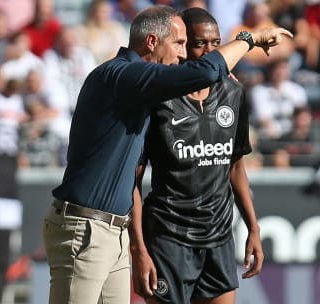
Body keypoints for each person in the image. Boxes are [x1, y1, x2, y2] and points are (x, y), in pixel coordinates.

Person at [42, 4, 291, 304]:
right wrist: (250, 39)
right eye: (180, 43)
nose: (184, 54)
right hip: (87, 228)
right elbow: (205, 71)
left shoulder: (139, 84)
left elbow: (205, 78)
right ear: (151, 42)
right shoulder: (124, 76)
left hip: (115, 230)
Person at [130, 7, 262, 304]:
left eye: (216, 44)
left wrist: (253, 228)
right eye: (200, 43)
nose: (209, 52)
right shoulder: (157, 100)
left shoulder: (232, 92)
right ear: (182, 45)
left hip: (218, 237)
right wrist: (138, 249)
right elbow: (133, 183)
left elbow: (236, 167)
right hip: (168, 237)